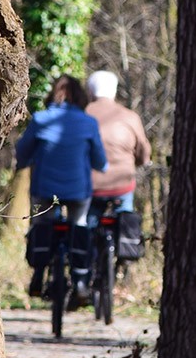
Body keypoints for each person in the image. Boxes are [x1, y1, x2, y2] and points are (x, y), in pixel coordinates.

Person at [15, 74, 107, 297]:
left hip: (45, 188)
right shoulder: (89, 123)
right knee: (80, 224)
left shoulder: (40, 119)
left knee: (41, 221)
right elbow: (99, 161)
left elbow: (22, 153)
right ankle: (80, 278)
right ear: (81, 97)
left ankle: (38, 273)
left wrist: (25, 162)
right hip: (78, 190)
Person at [85, 70, 151, 215]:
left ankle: (87, 235)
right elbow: (143, 153)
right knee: (124, 218)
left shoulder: (81, 115)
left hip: (90, 186)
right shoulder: (130, 117)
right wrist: (138, 162)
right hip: (122, 184)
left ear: (90, 91)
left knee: (87, 222)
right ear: (114, 91)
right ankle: (124, 234)